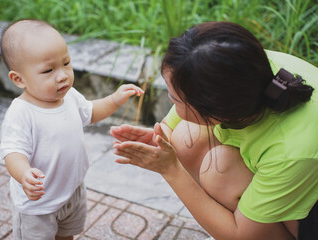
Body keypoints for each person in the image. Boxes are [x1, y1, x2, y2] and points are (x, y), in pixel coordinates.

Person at [110, 21, 318, 240]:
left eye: (175, 99)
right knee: (184, 140)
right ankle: (228, 220)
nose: (171, 101)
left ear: (216, 111)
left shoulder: (289, 150)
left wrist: (171, 170)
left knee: (218, 174)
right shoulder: (240, 65)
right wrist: (163, 135)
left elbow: (239, 235)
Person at [0, 19, 143, 240]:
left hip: (72, 191)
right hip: (38, 204)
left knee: (67, 235)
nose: (62, 75)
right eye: (48, 70)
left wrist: (114, 99)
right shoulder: (21, 112)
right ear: (19, 79)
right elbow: (13, 152)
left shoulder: (69, 96)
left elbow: (91, 112)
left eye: (66, 63)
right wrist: (24, 173)